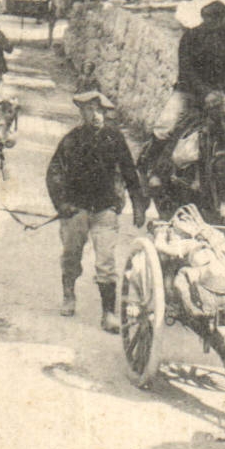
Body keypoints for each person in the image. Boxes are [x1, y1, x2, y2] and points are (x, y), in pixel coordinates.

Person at [46, 91, 148, 331]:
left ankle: (109, 313)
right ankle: (69, 296)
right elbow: (54, 173)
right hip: (76, 209)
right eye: (90, 110)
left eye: (100, 111)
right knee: (71, 254)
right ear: (82, 113)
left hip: (105, 209)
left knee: (106, 263)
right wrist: (61, 204)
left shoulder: (114, 139)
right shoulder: (72, 139)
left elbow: (129, 172)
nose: (96, 116)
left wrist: (138, 204)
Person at [145, 0, 225, 183]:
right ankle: (153, 167)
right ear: (204, 18)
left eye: (221, 20)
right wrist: (205, 93)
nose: (216, 24)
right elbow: (186, 71)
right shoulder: (190, 38)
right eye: (211, 18)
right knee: (165, 124)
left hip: (219, 94)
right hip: (188, 92)